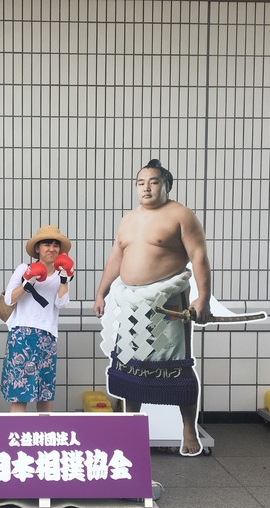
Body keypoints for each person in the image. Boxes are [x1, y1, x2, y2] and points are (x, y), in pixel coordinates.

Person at [94, 158, 211, 456]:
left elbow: (198, 255)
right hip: (131, 304)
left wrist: (203, 298)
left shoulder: (181, 214)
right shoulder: (128, 219)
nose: (146, 188)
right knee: (131, 366)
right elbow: (116, 258)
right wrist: (101, 292)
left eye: (153, 182)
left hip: (167, 304)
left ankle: (188, 429)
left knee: (176, 367)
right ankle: (131, 427)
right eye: (140, 183)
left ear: (166, 186)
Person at [1, 226, 73, 412]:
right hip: (22, 335)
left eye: (56, 245)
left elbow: (61, 304)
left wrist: (65, 280)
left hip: (48, 336)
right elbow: (9, 299)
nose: (52, 249)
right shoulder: (23, 268)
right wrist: (28, 282)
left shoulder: (62, 273)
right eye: (47, 244)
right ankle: (17, 430)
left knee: (45, 394)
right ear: (37, 248)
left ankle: (44, 431)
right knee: (20, 394)